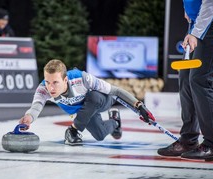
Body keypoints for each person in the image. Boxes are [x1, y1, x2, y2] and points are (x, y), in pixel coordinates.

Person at [19, 59, 155, 145]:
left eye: (55, 82)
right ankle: (115, 121)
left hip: (102, 101)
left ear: (65, 80)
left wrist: (139, 106)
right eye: (48, 82)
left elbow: (116, 91)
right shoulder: (44, 89)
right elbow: (36, 106)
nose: (51, 87)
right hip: (84, 112)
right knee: (100, 135)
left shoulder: (82, 78)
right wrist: (28, 118)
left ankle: (73, 130)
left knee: (94, 97)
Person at [158, 0, 213, 160]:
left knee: (200, 80)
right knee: (186, 78)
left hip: (209, 23)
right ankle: (189, 140)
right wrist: (187, 9)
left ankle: (211, 143)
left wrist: (196, 32)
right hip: (197, 23)